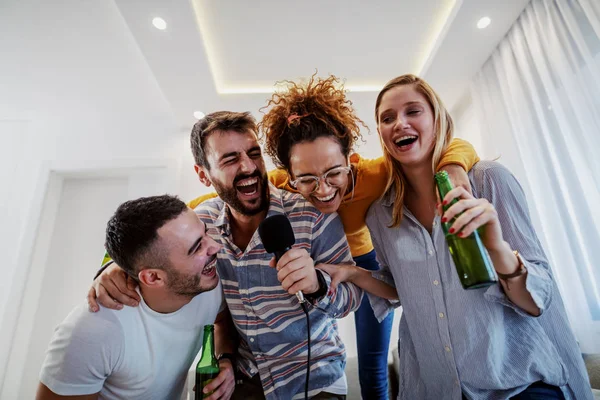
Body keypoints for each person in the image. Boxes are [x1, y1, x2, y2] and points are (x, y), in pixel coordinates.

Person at [192, 74, 480, 399]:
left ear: (350, 161)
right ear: (289, 176)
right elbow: (200, 206)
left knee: (372, 362)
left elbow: (453, 143)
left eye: (333, 173)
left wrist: (454, 166)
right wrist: (121, 263)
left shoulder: (376, 174)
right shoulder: (273, 186)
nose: (324, 190)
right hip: (319, 263)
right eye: (307, 180)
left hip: (364, 257)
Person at [319, 74, 594, 399]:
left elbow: (539, 300)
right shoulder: (381, 214)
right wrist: (354, 273)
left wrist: (495, 247)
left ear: (437, 119)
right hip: (441, 389)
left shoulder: (489, 181)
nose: (399, 123)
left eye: (413, 111)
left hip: (518, 384)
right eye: (387, 118)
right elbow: (402, 290)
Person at [90, 111, 364, 400]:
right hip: (245, 377)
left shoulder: (312, 216)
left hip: (313, 379)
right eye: (231, 159)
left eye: (253, 153)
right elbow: (148, 242)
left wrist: (318, 286)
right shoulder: (200, 223)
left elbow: (352, 298)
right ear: (203, 174)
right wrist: (113, 268)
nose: (248, 167)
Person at [36, 195, 235, 400]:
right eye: (196, 248)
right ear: (153, 277)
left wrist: (225, 358)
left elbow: (222, 321)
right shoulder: (92, 332)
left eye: (205, 234)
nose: (215, 247)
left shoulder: (208, 284)